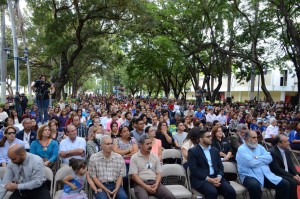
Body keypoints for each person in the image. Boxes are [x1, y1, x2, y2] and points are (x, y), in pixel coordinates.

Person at [236, 130, 290, 199]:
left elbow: (269, 158)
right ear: (247, 139)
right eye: (254, 137)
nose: (256, 139)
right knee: (255, 186)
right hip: (249, 175)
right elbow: (251, 163)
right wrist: (262, 160)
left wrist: (257, 157)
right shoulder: (241, 149)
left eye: (256, 137)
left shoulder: (259, 147)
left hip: (265, 173)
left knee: (285, 184)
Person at [188, 129, 236, 199]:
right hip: (202, 179)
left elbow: (220, 167)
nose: (210, 138)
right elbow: (194, 170)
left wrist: (219, 177)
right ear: (201, 139)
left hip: (216, 177)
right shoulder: (193, 151)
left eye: (210, 136)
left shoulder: (215, 150)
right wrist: (210, 180)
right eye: (208, 137)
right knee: (212, 192)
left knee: (230, 191)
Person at [129, 134, 176, 199]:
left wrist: (156, 185)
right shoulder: (134, 158)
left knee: (171, 197)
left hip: (155, 182)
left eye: (150, 143)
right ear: (140, 145)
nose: (150, 146)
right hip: (141, 185)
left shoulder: (155, 156)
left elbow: (159, 173)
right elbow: (134, 176)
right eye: (147, 144)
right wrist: (145, 186)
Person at [88, 135, 128, 199]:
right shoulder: (94, 158)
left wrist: (116, 189)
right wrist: (105, 189)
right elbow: (93, 177)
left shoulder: (119, 157)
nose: (110, 146)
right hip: (100, 185)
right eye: (107, 144)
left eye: (111, 143)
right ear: (101, 145)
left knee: (124, 197)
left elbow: (121, 176)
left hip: (115, 184)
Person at [269, 134, 300, 199]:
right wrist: (293, 176)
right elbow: (277, 169)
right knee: (293, 182)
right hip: (277, 173)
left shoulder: (286, 150)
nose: (288, 143)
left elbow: (291, 164)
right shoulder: (272, 152)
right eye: (286, 142)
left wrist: (296, 175)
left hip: (286, 172)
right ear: (279, 144)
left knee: (296, 177)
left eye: (288, 141)